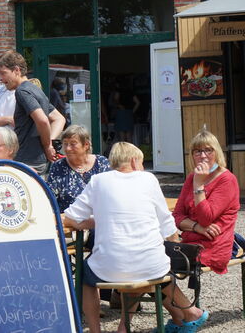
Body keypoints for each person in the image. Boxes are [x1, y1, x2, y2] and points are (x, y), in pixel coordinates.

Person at [64, 142, 208, 333]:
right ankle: (126, 328)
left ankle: (96, 330)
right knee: (147, 263)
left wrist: (95, 220)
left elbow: (72, 217)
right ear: (133, 161)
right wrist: (173, 242)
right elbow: (166, 222)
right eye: (141, 162)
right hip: (150, 265)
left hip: (112, 265)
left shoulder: (98, 180)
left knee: (84, 275)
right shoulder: (148, 179)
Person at [173, 129, 240, 274]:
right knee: (152, 263)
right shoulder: (192, 177)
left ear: (217, 153)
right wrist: (196, 227)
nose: (203, 156)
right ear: (192, 155)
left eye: (208, 150)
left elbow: (206, 218)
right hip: (189, 244)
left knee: (160, 268)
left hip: (213, 247)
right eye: (198, 151)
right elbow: (176, 216)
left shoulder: (227, 180)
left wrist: (198, 186)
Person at [0, 50, 65, 174]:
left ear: (16, 70)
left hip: (26, 161)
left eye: (3, 73)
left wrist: (47, 145)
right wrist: (49, 142)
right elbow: (59, 118)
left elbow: (42, 121)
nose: (1, 79)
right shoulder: (36, 90)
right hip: (37, 160)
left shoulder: (22, 91)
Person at [48, 125, 110, 212]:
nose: (68, 148)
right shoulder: (58, 167)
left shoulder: (102, 163)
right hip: (67, 219)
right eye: (65, 144)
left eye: (73, 144)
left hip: (98, 217)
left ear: (86, 145)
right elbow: (50, 198)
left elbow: (110, 193)